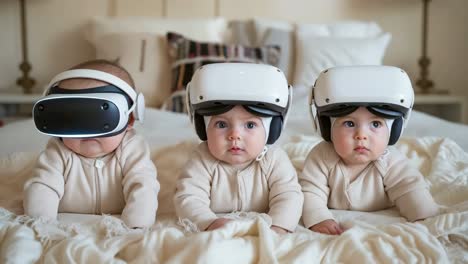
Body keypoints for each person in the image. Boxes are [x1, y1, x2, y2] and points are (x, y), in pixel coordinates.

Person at [301, 65, 440, 235]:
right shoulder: (321, 156)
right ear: (326, 128)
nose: (361, 135)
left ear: (394, 130)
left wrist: (424, 218)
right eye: (349, 123)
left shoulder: (390, 161)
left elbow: (409, 188)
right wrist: (319, 217)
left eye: (375, 124)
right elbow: (310, 191)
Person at [23, 59, 159, 228]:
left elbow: (144, 187)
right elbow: (43, 186)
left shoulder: (133, 149)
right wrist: (42, 225)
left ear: (130, 118)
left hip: (119, 225)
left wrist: (136, 227)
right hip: (68, 226)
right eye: (73, 118)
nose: (88, 130)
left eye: (100, 117)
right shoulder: (58, 151)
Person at [173, 63, 303, 234]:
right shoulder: (202, 159)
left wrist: (279, 226)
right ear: (202, 128)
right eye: (221, 124)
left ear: (271, 130)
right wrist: (208, 222)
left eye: (250, 124)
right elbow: (188, 197)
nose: (235, 135)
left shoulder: (274, 159)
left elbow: (289, 195)